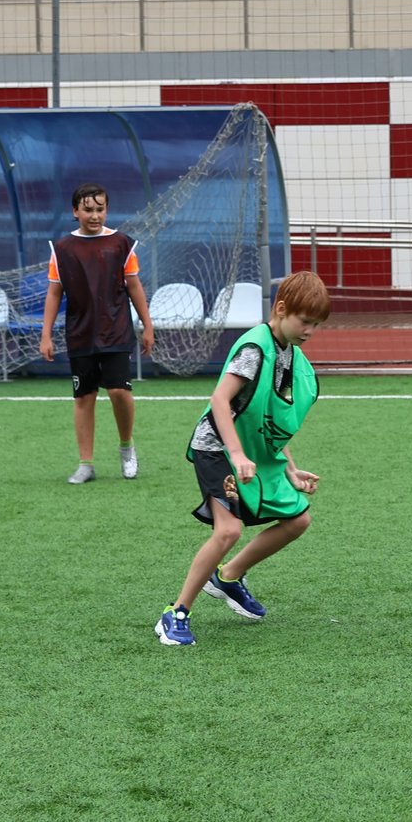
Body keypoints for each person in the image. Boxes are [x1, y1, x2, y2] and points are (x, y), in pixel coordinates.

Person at [158, 271, 329, 648]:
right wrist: (235, 453)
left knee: (298, 520)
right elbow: (220, 401)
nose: (310, 331)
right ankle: (176, 612)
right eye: (305, 321)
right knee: (229, 530)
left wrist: (291, 469)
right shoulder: (255, 349)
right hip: (217, 446)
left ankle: (229, 576)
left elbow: (266, 418)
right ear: (281, 309)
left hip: (251, 451)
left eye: (317, 324)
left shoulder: (290, 356)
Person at [39, 182, 153, 484]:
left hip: (116, 330)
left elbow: (134, 286)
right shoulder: (62, 249)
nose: (94, 215)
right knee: (84, 396)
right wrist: (46, 334)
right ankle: (86, 464)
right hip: (81, 333)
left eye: (100, 209)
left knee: (119, 392)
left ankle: (126, 447)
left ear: (106, 210)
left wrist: (148, 325)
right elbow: (54, 293)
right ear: (75, 211)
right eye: (88, 209)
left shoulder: (121, 244)